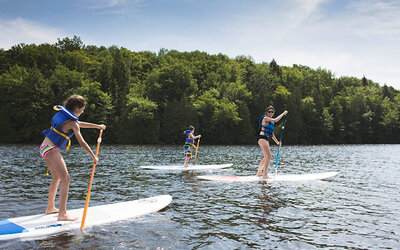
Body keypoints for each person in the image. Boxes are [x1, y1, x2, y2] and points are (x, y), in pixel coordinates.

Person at [40, 95, 106, 221]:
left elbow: (79, 124)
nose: (83, 111)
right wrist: (93, 156)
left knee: (57, 178)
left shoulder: (65, 117)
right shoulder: (72, 122)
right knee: (66, 179)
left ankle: (50, 208)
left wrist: (97, 126)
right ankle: (62, 214)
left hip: (44, 147)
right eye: (82, 109)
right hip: (51, 149)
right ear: (76, 108)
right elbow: (82, 142)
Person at [257, 106, 288, 179]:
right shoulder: (265, 118)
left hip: (266, 139)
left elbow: (271, 134)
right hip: (262, 138)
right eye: (269, 111)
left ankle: (259, 172)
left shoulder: (271, 122)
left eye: (272, 112)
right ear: (267, 112)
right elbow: (276, 120)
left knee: (266, 157)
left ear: (273, 113)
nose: (270, 113)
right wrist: (283, 113)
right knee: (269, 156)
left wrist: (277, 142)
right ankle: (264, 174)